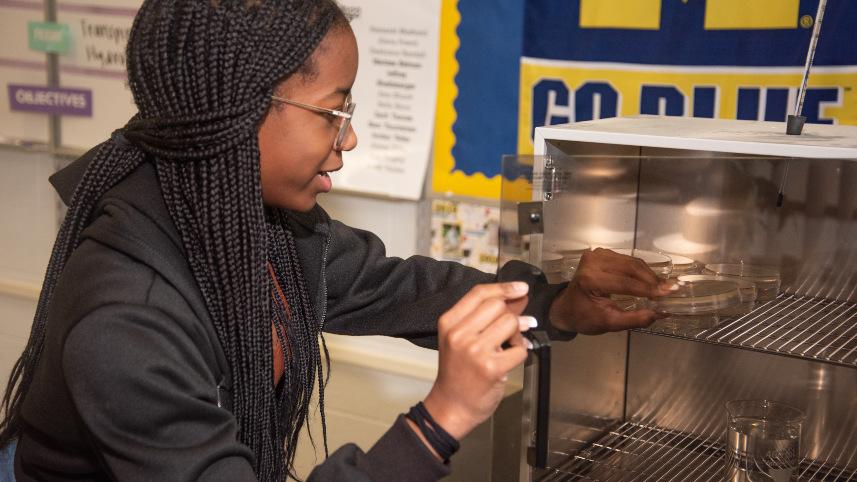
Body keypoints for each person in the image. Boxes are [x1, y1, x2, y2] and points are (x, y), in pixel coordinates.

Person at [0, 1, 670, 480]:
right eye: (334, 111)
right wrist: (438, 419)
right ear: (238, 113)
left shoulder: (252, 223)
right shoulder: (125, 323)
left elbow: (400, 287)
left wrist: (558, 306)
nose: (348, 137)